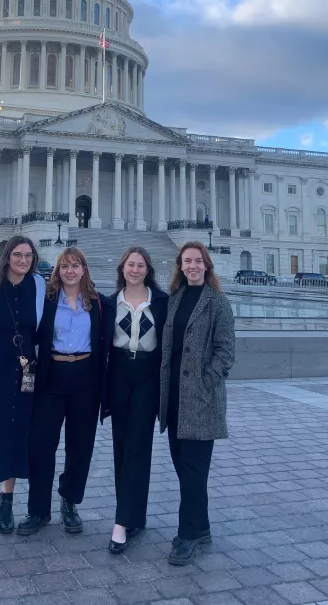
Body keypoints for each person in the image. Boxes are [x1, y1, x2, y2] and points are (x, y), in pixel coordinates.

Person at [17, 246, 103, 536]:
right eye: (64, 266)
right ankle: (38, 510)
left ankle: (70, 503)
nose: (70, 271)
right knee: (40, 446)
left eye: (75, 265)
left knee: (80, 447)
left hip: (85, 377)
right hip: (51, 376)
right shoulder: (47, 302)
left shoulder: (98, 303)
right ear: (57, 270)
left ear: (83, 269)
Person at [159, 241, 235, 566]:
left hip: (200, 401)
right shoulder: (175, 299)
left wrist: (205, 382)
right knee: (185, 469)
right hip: (175, 398)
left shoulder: (218, 302)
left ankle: (186, 536)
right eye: (186, 261)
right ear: (180, 266)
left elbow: (226, 351)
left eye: (197, 261)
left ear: (207, 265)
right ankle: (201, 526)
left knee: (193, 471)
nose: (192, 266)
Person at [0, 235, 46, 536]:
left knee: (18, 433)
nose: (23, 261)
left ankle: (7, 501)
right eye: (17, 255)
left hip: (26, 371)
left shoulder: (39, 286)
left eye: (28, 256)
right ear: (6, 257)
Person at [101, 246, 168, 554]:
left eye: (140, 265)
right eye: (131, 264)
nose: (135, 269)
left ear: (147, 270)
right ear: (123, 268)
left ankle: (122, 521)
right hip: (118, 373)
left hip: (146, 376)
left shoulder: (162, 302)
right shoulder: (110, 302)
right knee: (121, 446)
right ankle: (133, 516)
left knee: (138, 446)